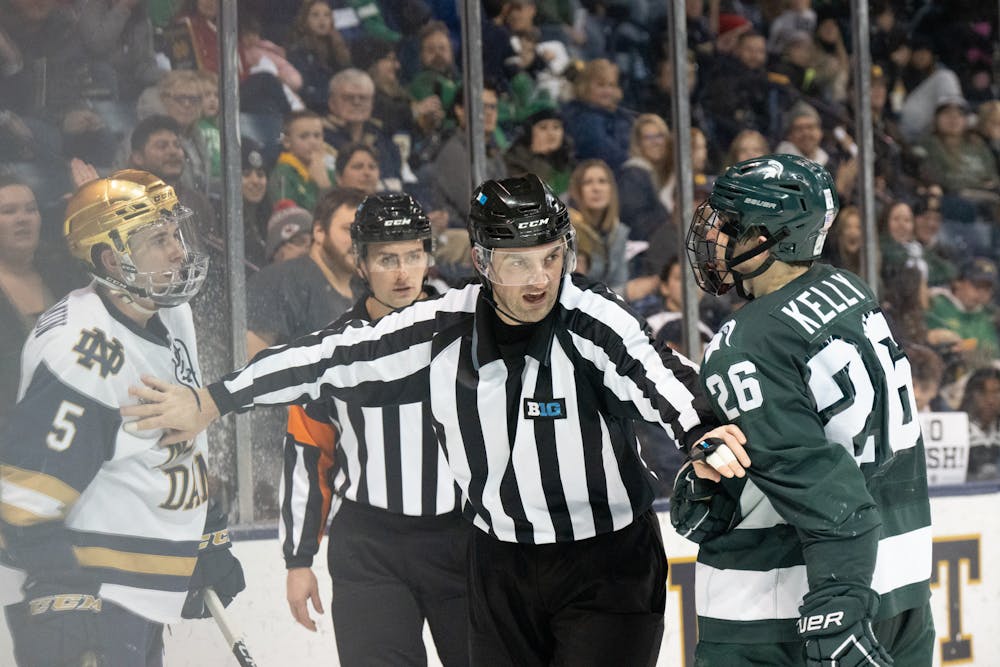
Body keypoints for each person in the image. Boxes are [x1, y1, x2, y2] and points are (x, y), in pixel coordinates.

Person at [121, 173, 749, 667]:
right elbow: (330, 357)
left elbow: (661, 377)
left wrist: (704, 434)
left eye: (552, 257)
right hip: (498, 564)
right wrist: (212, 400)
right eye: (518, 261)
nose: (540, 279)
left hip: (606, 563)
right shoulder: (443, 326)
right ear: (482, 260)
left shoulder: (592, 318)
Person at [680, 153, 934, 665]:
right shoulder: (847, 289)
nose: (716, 237)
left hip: (781, 606)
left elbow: (825, 490)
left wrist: (834, 610)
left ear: (768, 236)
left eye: (731, 225)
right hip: (902, 586)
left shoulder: (747, 342)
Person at [0, 169, 244, 666]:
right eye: (159, 239)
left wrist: (207, 532)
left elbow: (179, 434)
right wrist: (68, 603)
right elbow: (23, 503)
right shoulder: (80, 354)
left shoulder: (169, 309)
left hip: (136, 587)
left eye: (176, 233)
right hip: (89, 596)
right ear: (113, 259)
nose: (178, 251)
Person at [281, 192, 470, 665]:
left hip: (467, 541)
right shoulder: (333, 352)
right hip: (371, 548)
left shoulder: (472, 331)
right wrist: (298, 559)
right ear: (361, 264)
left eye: (413, 255)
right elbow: (308, 453)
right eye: (388, 258)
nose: (404, 272)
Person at [268, 109, 335, 213]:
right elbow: (288, 219)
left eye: (317, 136)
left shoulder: (329, 171)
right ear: (287, 142)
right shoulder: (283, 174)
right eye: (304, 136)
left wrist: (325, 184)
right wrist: (324, 188)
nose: (313, 142)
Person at [958, 366, 1000, 481]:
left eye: (996, 392)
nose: (990, 399)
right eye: (982, 392)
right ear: (970, 395)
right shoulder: (957, 430)